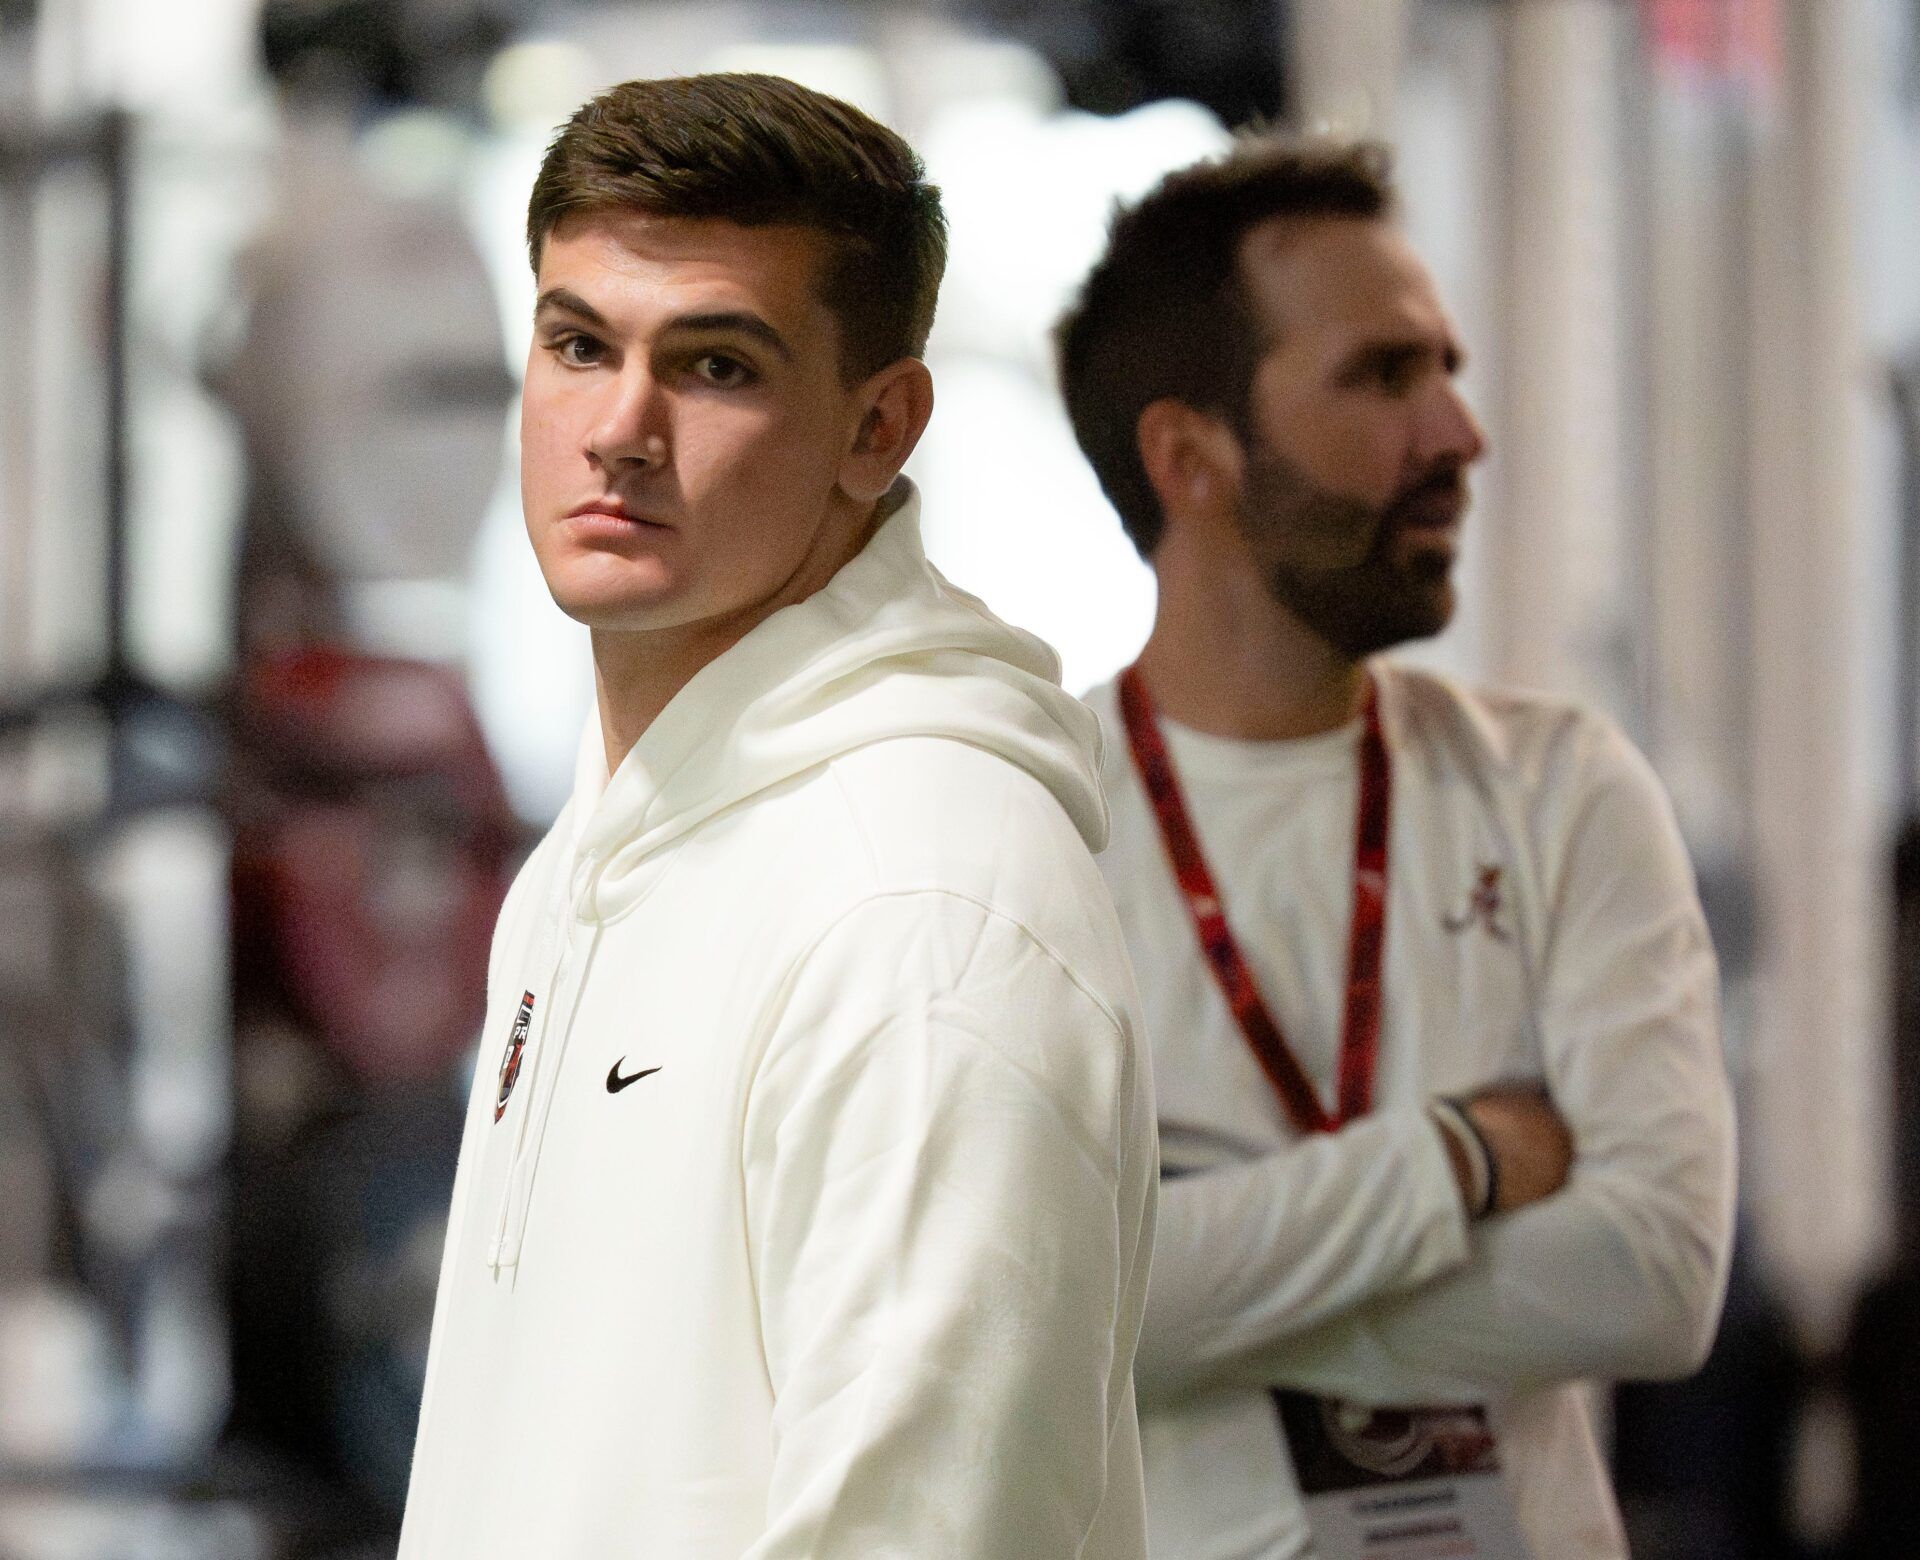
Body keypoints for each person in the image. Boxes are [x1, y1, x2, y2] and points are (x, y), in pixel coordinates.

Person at [399, 73, 1157, 1559]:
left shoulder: (927, 906)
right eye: (576, 344)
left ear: (878, 426)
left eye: (716, 366)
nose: (619, 427)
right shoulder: (603, 850)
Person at [1055, 136, 1735, 1559]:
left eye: (1447, 369)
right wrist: (1450, 1165)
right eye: (1384, 378)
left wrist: (1196, 1280)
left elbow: (1654, 1282)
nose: (1457, 435)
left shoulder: (1558, 787)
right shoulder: (1033, 827)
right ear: (1192, 454)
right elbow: (1039, 1310)